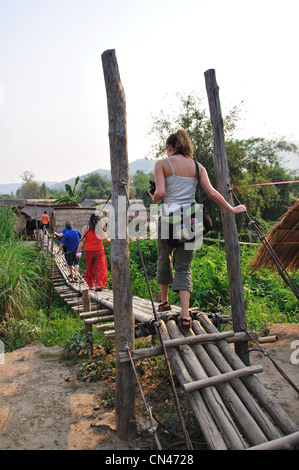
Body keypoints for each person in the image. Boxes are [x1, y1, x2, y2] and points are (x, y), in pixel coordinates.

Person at [148, 128, 247, 329]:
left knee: (164, 259)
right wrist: (232, 208)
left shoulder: (162, 164)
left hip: (169, 220)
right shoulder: (197, 166)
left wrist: (153, 197)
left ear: (170, 146)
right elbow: (211, 192)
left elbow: (160, 193)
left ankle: (165, 301)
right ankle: (185, 314)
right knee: (184, 266)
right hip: (192, 221)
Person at [76, 214, 110, 291]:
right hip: (99, 251)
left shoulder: (85, 228)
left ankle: (91, 285)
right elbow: (106, 240)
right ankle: (99, 285)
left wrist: (78, 251)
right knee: (101, 268)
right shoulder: (100, 228)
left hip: (88, 251)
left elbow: (82, 241)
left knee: (90, 268)